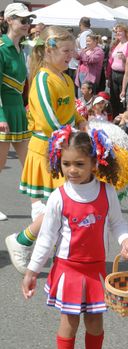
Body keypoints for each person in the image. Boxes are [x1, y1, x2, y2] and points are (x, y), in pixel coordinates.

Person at [21, 127, 128, 349]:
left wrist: (125, 240)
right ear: (58, 162)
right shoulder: (58, 197)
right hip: (69, 270)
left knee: (95, 323)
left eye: (79, 164)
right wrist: (31, 271)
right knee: (69, 323)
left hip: (96, 270)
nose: (72, 169)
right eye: (66, 163)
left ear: (95, 162)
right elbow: (47, 238)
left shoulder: (107, 192)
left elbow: (118, 222)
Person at [5, 26, 87, 274]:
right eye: (65, 50)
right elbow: (50, 120)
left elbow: (70, 110)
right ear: (49, 50)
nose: (70, 55)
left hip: (65, 149)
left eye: (73, 50)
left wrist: (82, 121)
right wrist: (76, 135)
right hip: (47, 151)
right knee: (61, 205)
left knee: (64, 205)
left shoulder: (66, 78)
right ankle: (21, 240)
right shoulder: (42, 78)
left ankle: (57, 254)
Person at [0, 3, 36, 221]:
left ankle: (38, 207)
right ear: (9, 20)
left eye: (28, 21)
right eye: (22, 21)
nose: (26, 25)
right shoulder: (1, 48)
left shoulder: (21, 49)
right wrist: (1, 117)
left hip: (18, 112)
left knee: (30, 161)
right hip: (3, 111)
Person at [106, 24, 128, 117]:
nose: (117, 33)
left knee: (123, 98)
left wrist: (124, 59)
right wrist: (108, 76)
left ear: (126, 32)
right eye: (116, 31)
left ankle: (123, 118)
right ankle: (115, 117)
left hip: (124, 74)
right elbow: (110, 61)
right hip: (114, 74)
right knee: (114, 98)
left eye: (120, 31)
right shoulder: (115, 44)